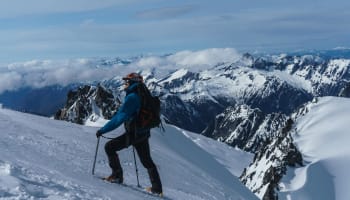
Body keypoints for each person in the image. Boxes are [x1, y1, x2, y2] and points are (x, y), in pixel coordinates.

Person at [96, 72, 163, 195]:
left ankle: (117, 176)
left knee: (109, 147)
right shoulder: (143, 94)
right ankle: (157, 188)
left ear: (132, 82)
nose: (125, 83)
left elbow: (120, 117)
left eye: (126, 81)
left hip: (134, 133)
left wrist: (103, 130)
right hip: (143, 133)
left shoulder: (132, 97)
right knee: (147, 161)